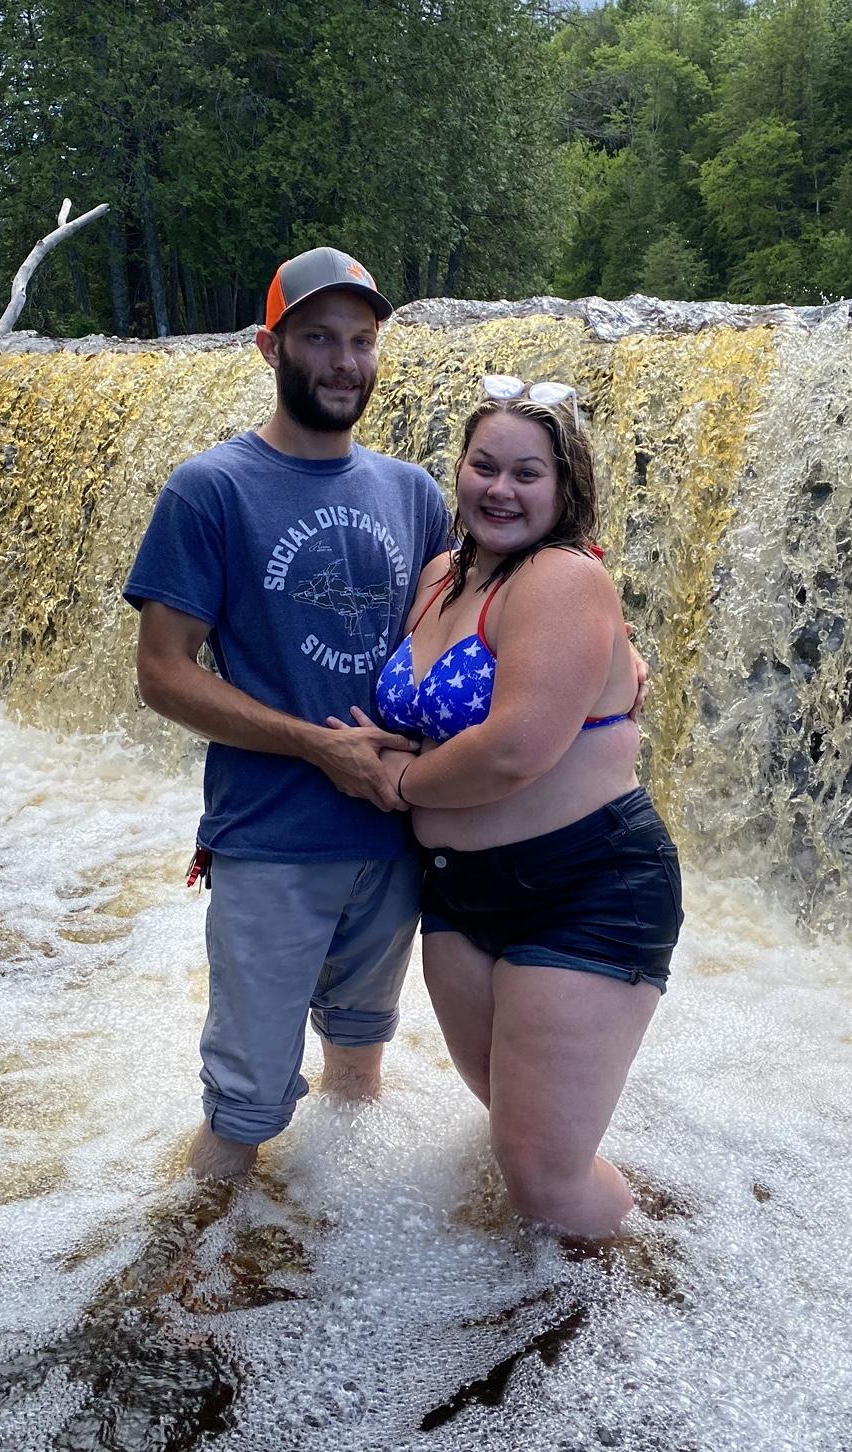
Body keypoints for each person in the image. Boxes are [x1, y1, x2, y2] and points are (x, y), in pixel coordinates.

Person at [123, 246, 452, 1180]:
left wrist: (605, 649)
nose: (344, 362)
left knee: (358, 1076)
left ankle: (323, 1237)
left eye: (361, 340)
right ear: (270, 347)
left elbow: (464, 640)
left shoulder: (415, 495)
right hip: (270, 841)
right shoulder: (210, 490)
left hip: (394, 841)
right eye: (318, 338)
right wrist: (316, 748)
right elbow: (162, 674)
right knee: (244, 1109)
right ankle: (186, 1254)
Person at [344, 379, 683, 1237]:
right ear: (457, 470)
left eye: (527, 473)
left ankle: (651, 1281)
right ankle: (576, 1258)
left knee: (541, 1176)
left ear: (566, 488)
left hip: (583, 888)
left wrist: (399, 784)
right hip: (459, 892)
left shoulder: (563, 579)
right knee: (519, 1127)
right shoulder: (439, 577)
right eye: (484, 466)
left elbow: (513, 750)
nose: (500, 489)